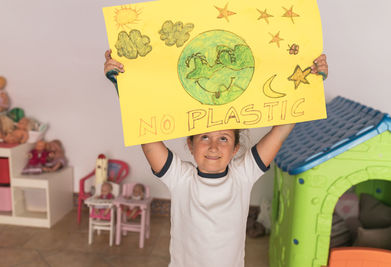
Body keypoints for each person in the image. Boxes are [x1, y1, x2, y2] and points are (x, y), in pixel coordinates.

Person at [104, 49, 328, 267]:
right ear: (190, 145)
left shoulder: (244, 174)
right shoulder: (180, 177)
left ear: (235, 148)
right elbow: (146, 135)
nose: (213, 146)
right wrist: (122, 84)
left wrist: (311, 82)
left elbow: (280, 131)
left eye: (223, 138)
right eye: (204, 137)